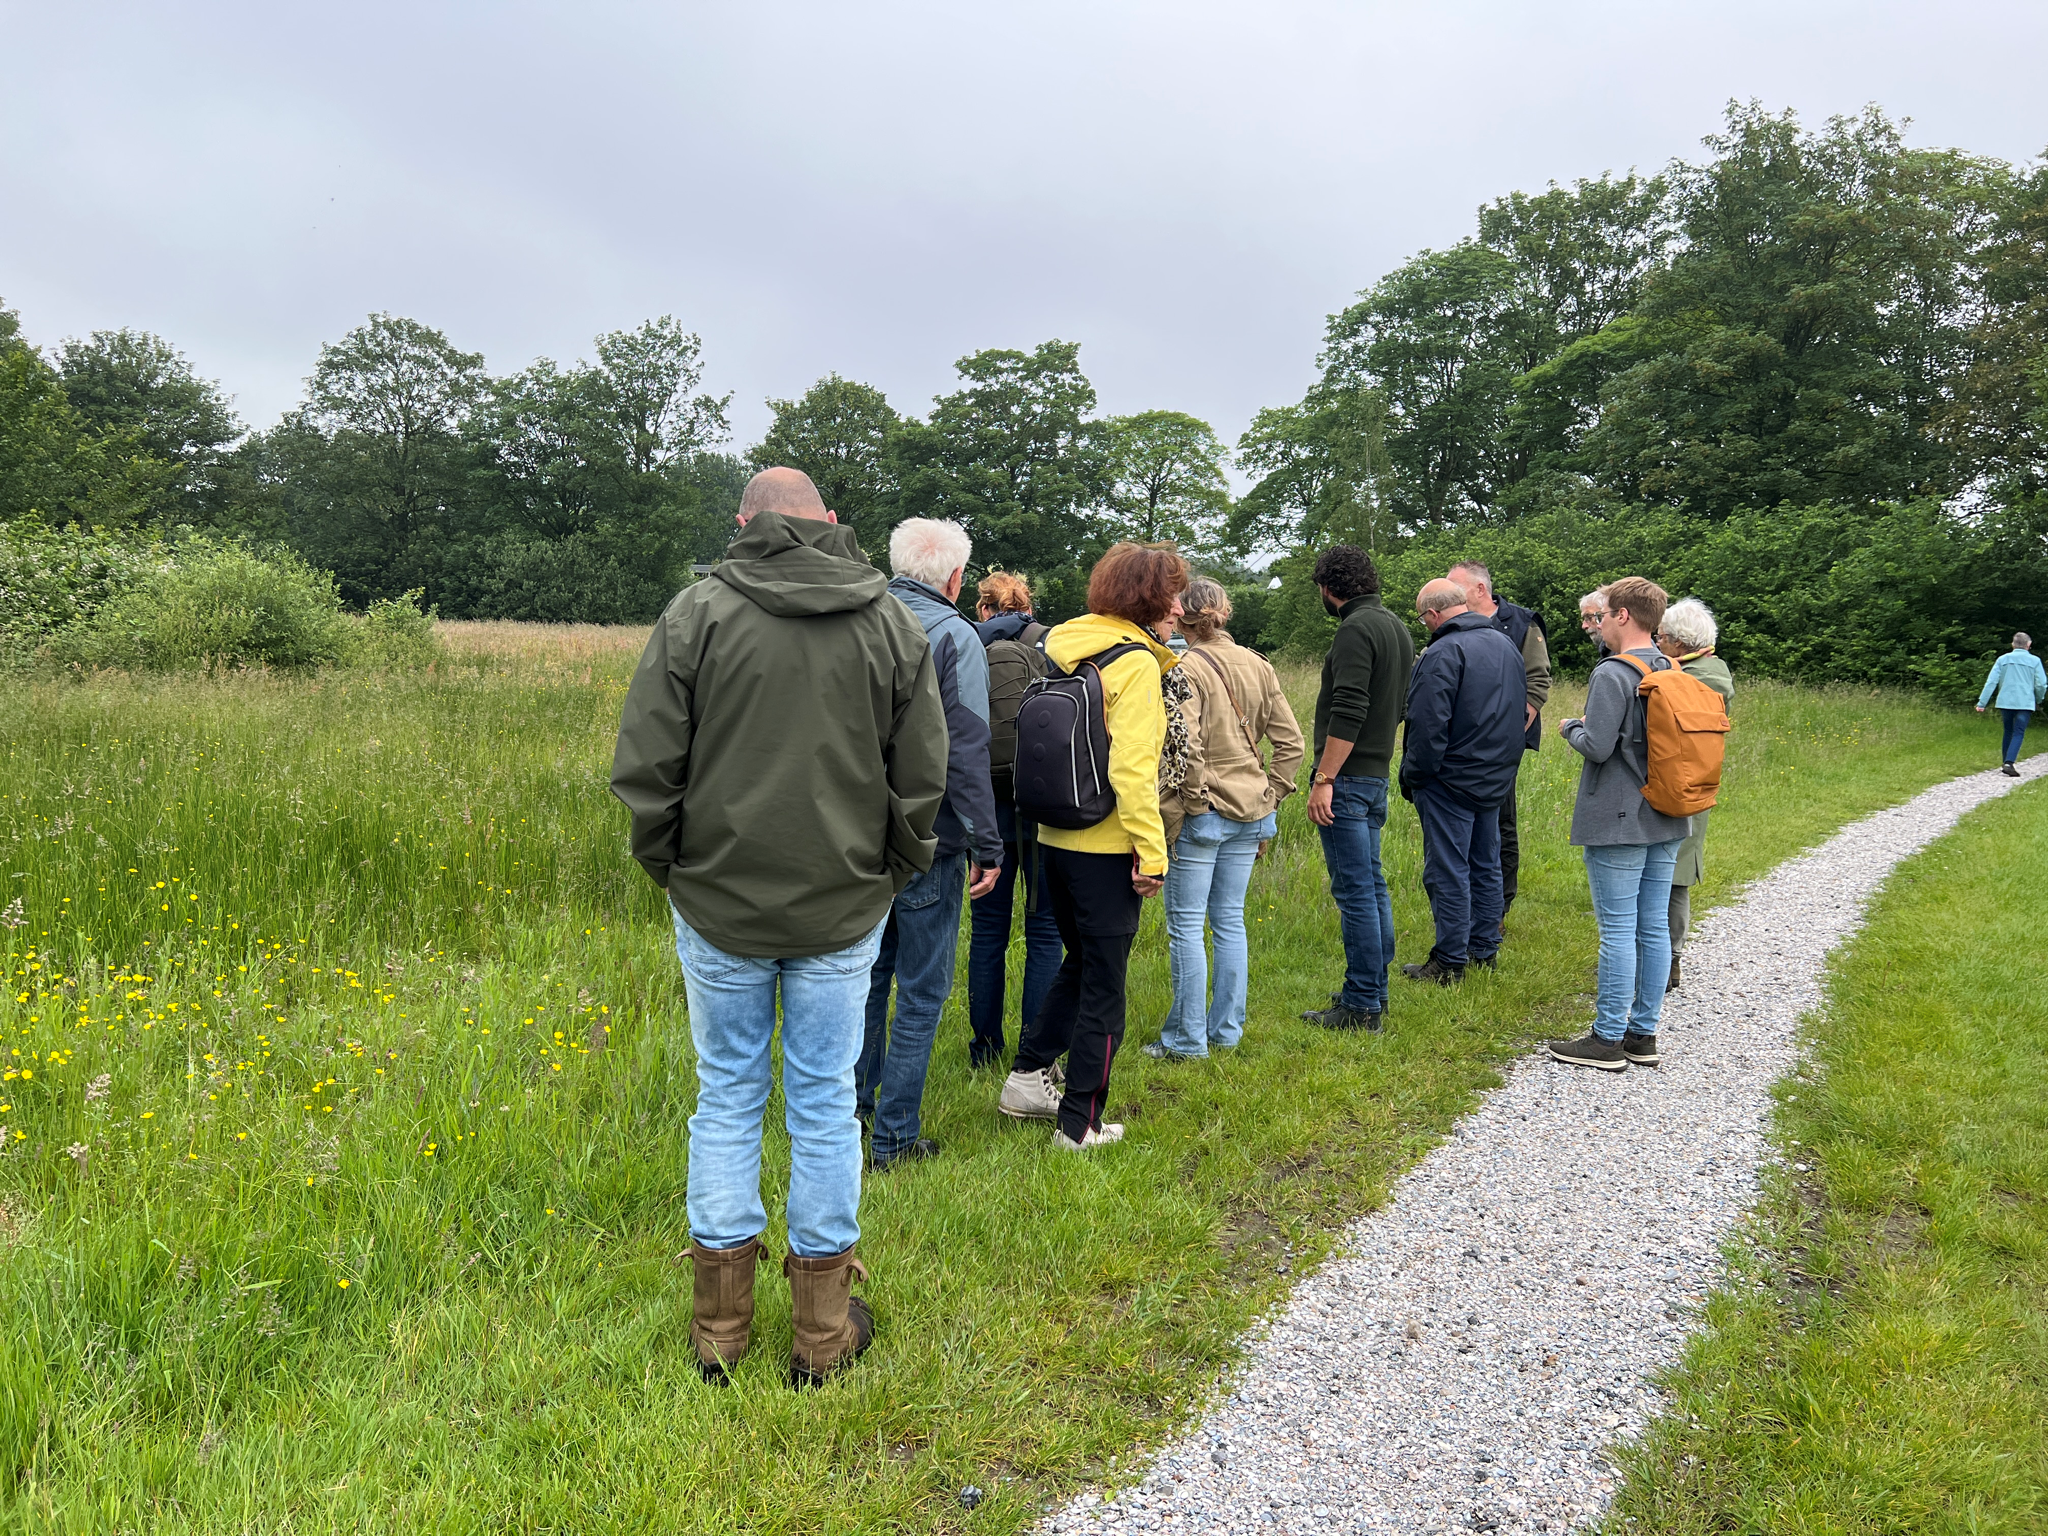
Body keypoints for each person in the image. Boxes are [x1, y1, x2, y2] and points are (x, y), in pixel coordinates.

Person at [611, 467, 948, 1386]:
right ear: (830, 524)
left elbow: (647, 769)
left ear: (743, 522)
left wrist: (676, 870)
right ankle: (821, 1332)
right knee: (824, 1101)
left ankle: (720, 1332)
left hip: (720, 898)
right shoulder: (889, 620)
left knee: (726, 1094)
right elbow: (922, 775)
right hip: (842, 899)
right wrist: (894, 867)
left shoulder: (696, 614)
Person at [998, 542, 1186, 1149]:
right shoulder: (1131, 664)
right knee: (1105, 982)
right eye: (1174, 594)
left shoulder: (1063, 648)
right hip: (1106, 846)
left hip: (1052, 835)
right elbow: (1134, 769)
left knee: (1078, 964)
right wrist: (1152, 854)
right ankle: (1080, 1125)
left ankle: (1027, 1076)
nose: (1181, 608)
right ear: (1150, 598)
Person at [857, 519, 1004, 1168]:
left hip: (856, 836)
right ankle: (893, 1138)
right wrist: (987, 843)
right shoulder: (953, 635)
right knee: (920, 989)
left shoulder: (854, 621)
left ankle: (852, 1118)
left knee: (868, 979)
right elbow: (966, 750)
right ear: (954, 578)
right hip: (928, 838)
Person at [1145, 578, 1304, 1061]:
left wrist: (1195, 800)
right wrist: (1271, 797)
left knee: (1187, 927)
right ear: (1223, 613)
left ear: (1184, 617)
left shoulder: (1184, 667)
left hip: (1206, 812)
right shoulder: (1259, 663)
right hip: (1252, 809)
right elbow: (1291, 744)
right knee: (1230, 922)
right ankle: (1226, 1033)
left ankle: (1187, 1041)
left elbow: (1186, 744)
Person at [1548, 577, 1693, 1071]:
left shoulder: (1613, 672)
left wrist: (1570, 726)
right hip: (1668, 812)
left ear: (1624, 616)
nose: (1601, 623)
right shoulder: (1670, 665)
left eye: (1605, 614)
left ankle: (1607, 1038)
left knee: (1616, 929)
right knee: (1652, 927)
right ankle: (1642, 1034)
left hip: (1618, 817)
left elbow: (1599, 745)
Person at [1300, 545, 1415, 1032]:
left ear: (1329, 589)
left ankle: (1363, 1003)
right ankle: (1372, 988)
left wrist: (1324, 777)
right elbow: (1400, 703)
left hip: (1346, 779)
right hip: (1375, 775)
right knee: (1372, 883)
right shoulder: (1395, 626)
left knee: (1355, 893)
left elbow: (1349, 708)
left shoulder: (1354, 630)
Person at [1397, 580, 1526, 984]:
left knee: (1448, 869)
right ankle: (1483, 947)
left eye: (1423, 619)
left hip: (1449, 780)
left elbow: (1426, 726)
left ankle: (1450, 960)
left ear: (1433, 615)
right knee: (1485, 863)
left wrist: (1414, 775)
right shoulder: (1506, 645)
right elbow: (1516, 713)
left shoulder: (1442, 652)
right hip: (1493, 777)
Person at [966, 572, 1063, 1069]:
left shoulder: (967, 646)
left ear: (984, 609)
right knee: (1045, 929)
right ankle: (1035, 1047)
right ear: (1027, 605)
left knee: (988, 932)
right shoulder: (1054, 644)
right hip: (1044, 802)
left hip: (988, 805)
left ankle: (984, 1048)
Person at [1447, 561, 1551, 927]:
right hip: (1460, 745)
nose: (1451, 596)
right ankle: (1466, 906)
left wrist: (1506, 731)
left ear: (1480, 589)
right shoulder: (1450, 626)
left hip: (1501, 745)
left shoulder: (1522, 623)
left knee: (1500, 822)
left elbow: (1537, 683)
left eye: (1457, 588)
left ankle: (1497, 910)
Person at [1655, 598, 1734, 990]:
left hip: (1684, 784)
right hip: (1681, 781)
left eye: (1662, 637)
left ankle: (1669, 958)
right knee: (1665, 873)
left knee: (1675, 876)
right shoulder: (1693, 667)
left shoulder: (1705, 676)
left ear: (1680, 643)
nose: (1657, 643)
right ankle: (1657, 955)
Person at [1977, 632, 2046, 777]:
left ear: (2013, 644)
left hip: (2006, 701)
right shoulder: (2035, 661)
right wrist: (2038, 699)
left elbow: (1991, 682)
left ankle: (2005, 762)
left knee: (2008, 730)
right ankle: (2009, 763)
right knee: (2018, 732)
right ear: (2028, 645)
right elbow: (2041, 684)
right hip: (2025, 702)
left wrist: (1982, 702)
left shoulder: (2003, 659)